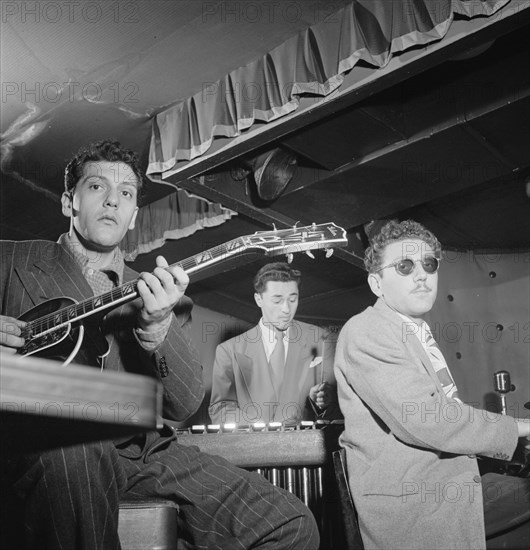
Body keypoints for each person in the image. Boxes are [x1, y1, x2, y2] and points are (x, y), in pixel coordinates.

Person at [0, 140, 319, 550]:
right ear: (69, 202)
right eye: (97, 187)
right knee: (72, 452)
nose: (113, 201)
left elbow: (182, 405)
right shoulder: (10, 261)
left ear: (134, 217)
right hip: (43, 448)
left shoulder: (167, 299)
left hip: (143, 454)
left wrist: (156, 327)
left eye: (126, 194)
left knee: (291, 524)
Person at [333, 219, 530, 550]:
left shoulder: (414, 329)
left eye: (429, 264)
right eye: (405, 266)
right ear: (376, 284)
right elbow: (429, 419)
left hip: (449, 486)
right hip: (416, 507)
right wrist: (520, 428)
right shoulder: (366, 330)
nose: (421, 275)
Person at [209, 262, 341, 425]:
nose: (286, 309)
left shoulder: (321, 339)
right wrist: (257, 427)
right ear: (259, 299)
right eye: (277, 300)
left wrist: (321, 404)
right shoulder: (228, 350)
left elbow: (339, 406)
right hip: (252, 447)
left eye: (293, 299)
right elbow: (220, 408)